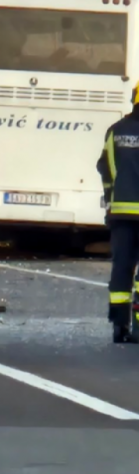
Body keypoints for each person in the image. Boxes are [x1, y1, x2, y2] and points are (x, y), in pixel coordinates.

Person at [97, 80, 139, 343]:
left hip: (122, 215)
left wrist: (111, 198)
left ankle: (119, 326)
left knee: (122, 268)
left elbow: (105, 167)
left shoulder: (116, 131)